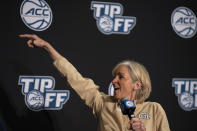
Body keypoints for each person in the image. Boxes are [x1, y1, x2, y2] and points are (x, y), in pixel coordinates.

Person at [19, 34, 170, 131]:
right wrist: (47, 47)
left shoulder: (154, 109)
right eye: (114, 76)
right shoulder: (102, 103)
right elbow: (74, 77)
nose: (114, 80)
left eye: (120, 77)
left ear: (137, 84)